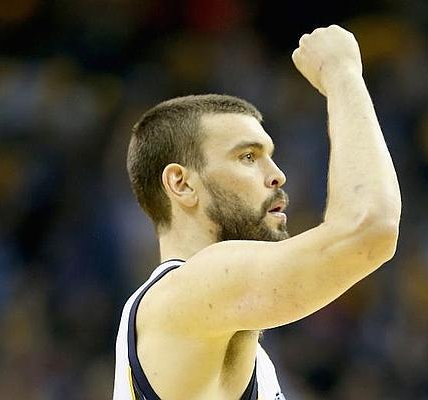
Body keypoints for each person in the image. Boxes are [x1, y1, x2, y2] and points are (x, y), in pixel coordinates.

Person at [113, 25, 401, 400]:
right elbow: (369, 227)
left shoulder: (243, 350)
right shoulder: (186, 292)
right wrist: (341, 71)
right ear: (181, 184)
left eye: (270, 155)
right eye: (247, 157)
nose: (277, 174)